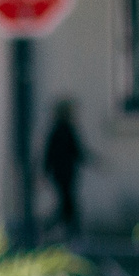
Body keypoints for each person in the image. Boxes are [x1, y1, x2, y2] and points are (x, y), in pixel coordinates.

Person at [43, 100, 86, 239]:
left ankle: (68, 229)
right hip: (66, 172)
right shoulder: (66, 130)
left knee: (66, 201)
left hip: (60, 173)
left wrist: (45, 171)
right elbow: (77, 151)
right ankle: (69, 230)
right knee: (67, 202)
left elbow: (48, 154)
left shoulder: (56, 130)